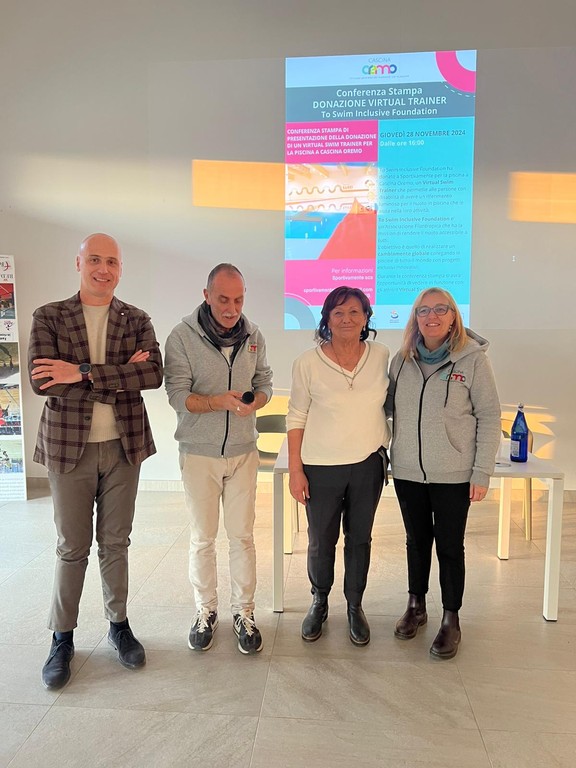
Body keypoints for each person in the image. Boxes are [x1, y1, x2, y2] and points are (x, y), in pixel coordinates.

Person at [28, 233, 163, 689]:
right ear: (79, 263)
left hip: (124, 446)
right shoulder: (49, 316)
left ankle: (118, 625)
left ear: (120, 268)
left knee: (116, 542)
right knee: (72, 547)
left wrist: (80, 371)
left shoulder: (136, 318)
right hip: (69, 447)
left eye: (112, 262)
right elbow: (43, 383)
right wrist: (120, 375)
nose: (104, 269)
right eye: (95, 260)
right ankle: (61, 637)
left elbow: (152, 374)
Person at [386, 287, 500, 659]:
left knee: (450, 547)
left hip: (454, 474)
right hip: (408, 471)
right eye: (423, 310)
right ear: (415, 318)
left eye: (440, 309)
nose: (431, 317)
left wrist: (481, 471)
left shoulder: (472, 361)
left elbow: (489, 417)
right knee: (416, 541)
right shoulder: (401, 360)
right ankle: (416, 606)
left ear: (453, 317)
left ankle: (451, 618)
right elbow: (385, 408)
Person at [164, 264, 273, 654]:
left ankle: (244, 612)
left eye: (239, 300)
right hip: (199, 454)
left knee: (242, 537)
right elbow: (177, 395)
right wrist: (216, 402)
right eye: (224, 299)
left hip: (244, 452)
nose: (232, 309)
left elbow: (264, 382)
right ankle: (205, 610)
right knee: (203, 538)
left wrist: (256, 402)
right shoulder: (181, 337)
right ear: (206, 295)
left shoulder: (253, 335)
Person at [287, 286, 390, 646]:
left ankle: (354, 606)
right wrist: (296, 469)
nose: (347, 319)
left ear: (366, 318)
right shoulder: (307, 363)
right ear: (327, 319)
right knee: (321, 541)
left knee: (359, 539)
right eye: (338, 312)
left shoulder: (381, 355)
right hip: (320, 467)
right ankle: (319, 601)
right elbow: (296, 416)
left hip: (367, 464)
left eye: (354, 312)